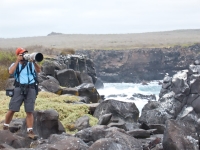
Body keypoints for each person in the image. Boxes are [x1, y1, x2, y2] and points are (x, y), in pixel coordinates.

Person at [3, 47, 41, 140]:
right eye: (22, 54)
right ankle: (5, 126)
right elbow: (10, 72)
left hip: (31, 88)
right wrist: (17, 61)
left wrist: (34, 61)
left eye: (25, 54)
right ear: (18, 55)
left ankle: (30, 131)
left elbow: (39, 70)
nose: (24, 56)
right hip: (19, 88)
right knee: (12, 109)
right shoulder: (14, 64)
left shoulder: (30, 64)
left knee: (29, 111)